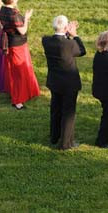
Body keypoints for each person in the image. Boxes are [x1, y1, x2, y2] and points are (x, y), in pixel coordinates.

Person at [42, 15, 86, 150]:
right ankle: (66, 143)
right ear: (66, 27)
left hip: (54, 81)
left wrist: (66, 32)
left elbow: (60, 40)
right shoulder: (70, 44)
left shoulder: (46, 41)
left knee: (55, 108)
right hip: (69, 83)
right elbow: (82, 51)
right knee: (68, 112)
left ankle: (54, 136)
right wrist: (75, 35)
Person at [0, 0, 40, 109]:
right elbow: (23, 30)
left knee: (14, 70)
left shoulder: (2, 10)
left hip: (11, 43)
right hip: (18, 45)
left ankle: (27, 91)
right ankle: (18, 100)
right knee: (20, 72)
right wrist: (27, 18)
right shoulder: (14, 14)